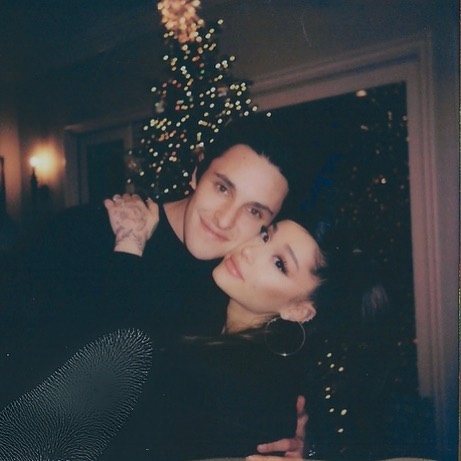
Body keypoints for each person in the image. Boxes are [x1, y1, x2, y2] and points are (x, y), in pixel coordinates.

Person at [10, 117, 309, 458]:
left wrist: (292, 437)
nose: (225, 220)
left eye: (254, 211)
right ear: (197, 172)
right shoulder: (89, 231)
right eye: (222, 188)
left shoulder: (234, 289)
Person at [83, 218, 328, 460]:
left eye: (279, 263)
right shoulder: (207, 312)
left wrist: (128, 246)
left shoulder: (253, 386)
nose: (249, 250)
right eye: (265, 236)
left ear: (298, 310)